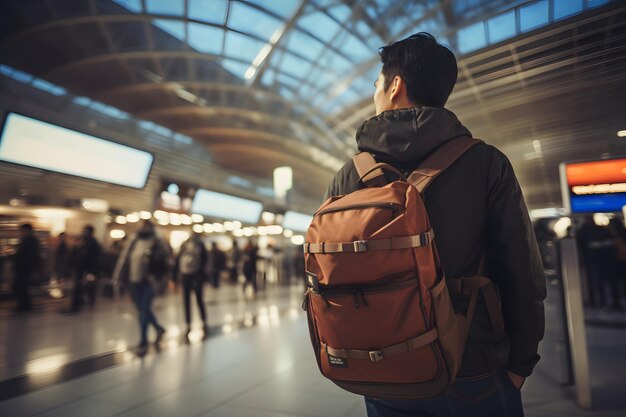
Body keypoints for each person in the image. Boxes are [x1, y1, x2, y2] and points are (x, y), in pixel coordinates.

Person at [324, 33, 546, 417]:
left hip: (381, 366)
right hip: (472, 361)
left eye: (377, 83)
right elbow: (520, 269)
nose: (375, 92)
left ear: (396, 86)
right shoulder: (486, 163)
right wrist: (520, 364)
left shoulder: (350, 176)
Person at [113, 220, 169, 356]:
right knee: (141, 310)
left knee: (143, 311)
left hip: (149, 282)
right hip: (134, 281)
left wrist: (160, 281)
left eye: (146, 226)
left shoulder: (157, 242)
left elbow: (165, 261)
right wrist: (118, 278)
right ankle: (159, 328)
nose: (143, 228)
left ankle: (143, 341)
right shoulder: (134, 240)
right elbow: (124, 259)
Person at [174, 231, 209, 336]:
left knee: (188, 301)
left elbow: (177, 260)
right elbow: (205, 261)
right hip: (195, 275)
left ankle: (189, 323)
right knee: (198, 300)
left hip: (187, 276)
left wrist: (175, 276)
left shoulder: (185, 245)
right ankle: (202, 321)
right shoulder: (200, 245)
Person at [68, 225, 101, 312]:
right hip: (84, 269)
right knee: (82, 286)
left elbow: (91, 258)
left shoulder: (91, 243)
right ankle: (80, 303)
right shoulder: (86, 242)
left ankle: (80, 304)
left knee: (85, 287)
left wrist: (91, 271)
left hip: (86, 270)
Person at [14, 223, 41, 312]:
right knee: (22, 287)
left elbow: (31, 256)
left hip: (25, 268)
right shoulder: (27, 240)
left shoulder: (31, 240)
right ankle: (25, 305)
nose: (21, 232)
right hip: (23, 268)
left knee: (21, 287)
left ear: (28, 230)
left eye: (22, 231)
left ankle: (24, 306)